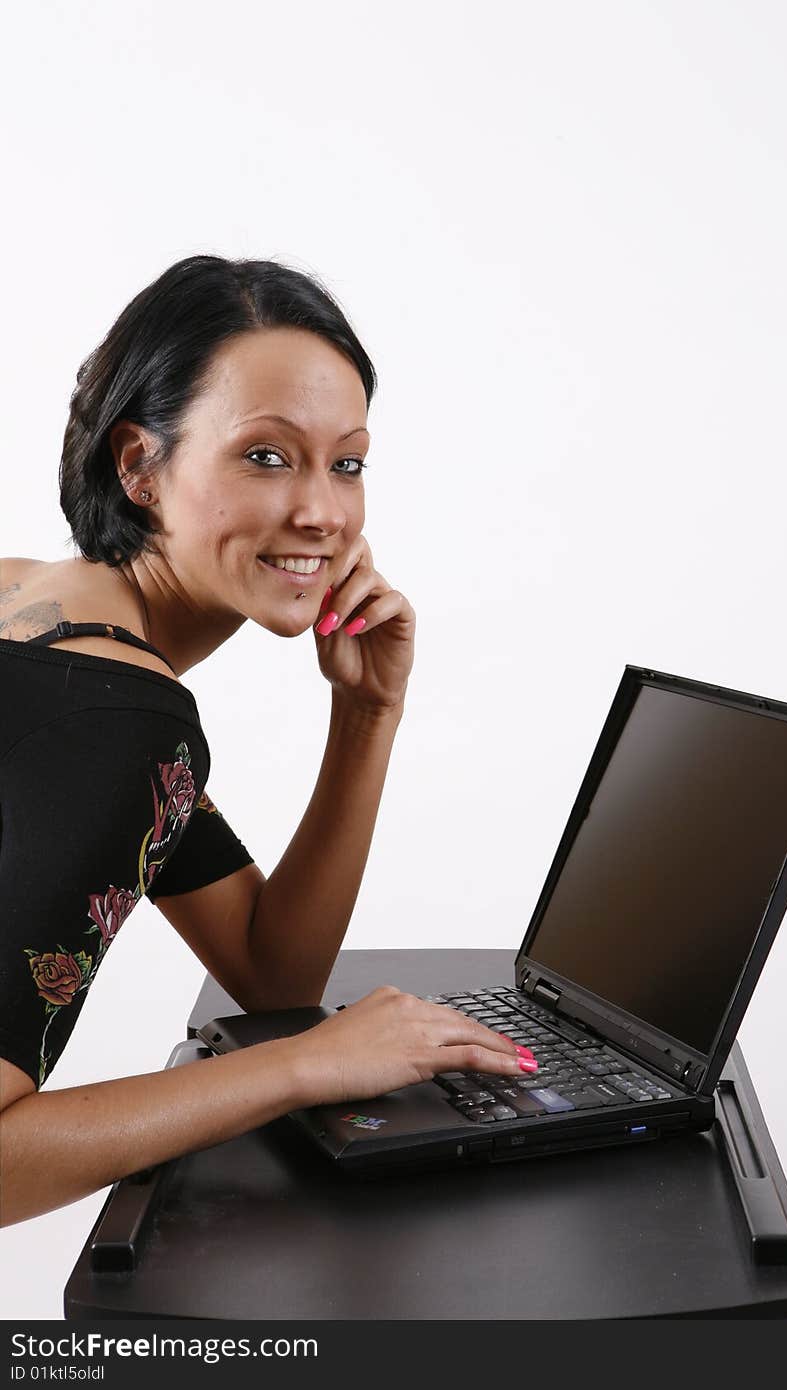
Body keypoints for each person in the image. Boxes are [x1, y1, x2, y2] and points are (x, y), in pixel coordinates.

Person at [0, 254, 537, 1227]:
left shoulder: (22, 600)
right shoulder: (121, 717)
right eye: (266, 455)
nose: (322, 513)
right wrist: (301, 1067)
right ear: (139, 466)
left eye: (347, 462)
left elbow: (270, 971)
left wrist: (367, 713)